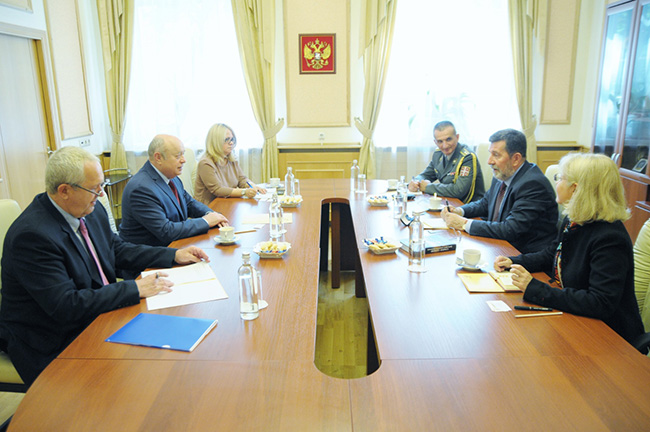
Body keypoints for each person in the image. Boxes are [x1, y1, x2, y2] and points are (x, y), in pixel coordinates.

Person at [0, 146, 210, 386]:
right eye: (94, 188)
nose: (101, 194)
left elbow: (117, 250)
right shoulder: (33, 236)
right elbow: (65, 305)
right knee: (127, 383)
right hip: (51, 337)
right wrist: (134, 288)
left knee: (167, 361)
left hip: (97, 314)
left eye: (102, 185)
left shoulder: (89, 208)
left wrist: (174, 255)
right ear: (64, 190)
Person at [494, 153, 644, 344]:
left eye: (560, 178)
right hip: (575, 319)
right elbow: (552, 253)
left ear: (575, 188)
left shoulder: (610, 238)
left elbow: (600, 302)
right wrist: (514, 261)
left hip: (607, 336)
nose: (556, 182)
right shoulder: (574, 219)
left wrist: (535, 288)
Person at [442, 128, 557, 254]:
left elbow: (510, 229)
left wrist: (464, 223)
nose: (489, 161)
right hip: (499, 245)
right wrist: (460, 211)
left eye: (496, 155)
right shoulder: (503, 173)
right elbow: (485, 203)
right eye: (490, 154)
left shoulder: (532, 184)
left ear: (516, 159)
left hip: (521, 254)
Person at [119, 134, 229, 247]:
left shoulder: (171, 177)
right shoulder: (141, 188)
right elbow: (166, 231)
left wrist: (212, 215)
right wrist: (206, 221)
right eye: (178, 156)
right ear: (158, 158)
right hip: (149, 254)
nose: (184, 160)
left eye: (183, 154)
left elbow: (189, 203)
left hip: (174, 245)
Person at [408, 121, 485, 203]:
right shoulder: (438, 154)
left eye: (448, 139)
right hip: (448, 202)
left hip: (467, 206)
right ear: (435, 142)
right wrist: (416, 182)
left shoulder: (467, 157)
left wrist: (428, 187)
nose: (445, 146)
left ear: (457, 137)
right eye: (440, 141)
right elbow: (426, 175)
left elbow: (459, 191)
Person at [194, 123, 266, 205]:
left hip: (227, 203)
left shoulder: (231, 159)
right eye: (227, 139)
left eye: (232, 139)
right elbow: (218, 190)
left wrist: (251, 185)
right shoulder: (205, 163)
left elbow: (242, 179)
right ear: (216, 142)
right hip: (209, 207)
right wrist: (244, 192)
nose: (231, 143)